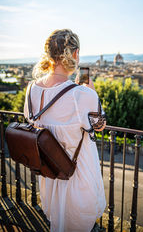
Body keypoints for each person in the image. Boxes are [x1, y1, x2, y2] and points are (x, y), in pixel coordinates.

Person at [24, 29, 106, 232]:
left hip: (51, 174)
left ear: (49, 54)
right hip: (78, 176)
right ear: (75, 54)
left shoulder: (31, 89)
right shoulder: (82, 94)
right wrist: (91, 91)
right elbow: (100, 125)